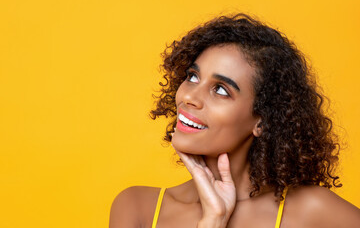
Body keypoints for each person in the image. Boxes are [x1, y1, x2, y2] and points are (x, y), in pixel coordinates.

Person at [109, 13, 360, 228]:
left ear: (262, 121)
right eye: (193, 77)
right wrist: (212, 220)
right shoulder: (137, 208)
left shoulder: (312, 212)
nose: (189, 97)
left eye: (220, 90)